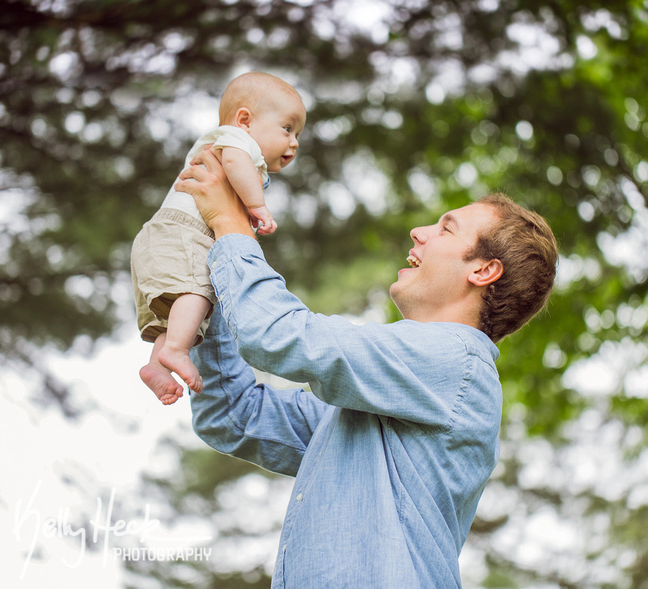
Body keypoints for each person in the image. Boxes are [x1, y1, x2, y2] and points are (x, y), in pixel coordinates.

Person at [175, 148, 558, 588]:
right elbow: (234, 416)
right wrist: (210, 270)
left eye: (446, 228)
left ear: (484, 270)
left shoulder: (455, 360)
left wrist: (230, 228)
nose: (419, 232)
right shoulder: (383, 402)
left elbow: (277, 334)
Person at [130, 72, 306, 405]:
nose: (294, 142)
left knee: (184, 311)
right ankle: (177, 351)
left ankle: (158, 365)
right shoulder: (235, 141)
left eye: (298, 133)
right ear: (245, 120)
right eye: (287, 128)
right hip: (185, 230)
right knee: (201, 292)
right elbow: (235, 162)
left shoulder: (239, 143)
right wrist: (257, 206)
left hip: (168, 236)